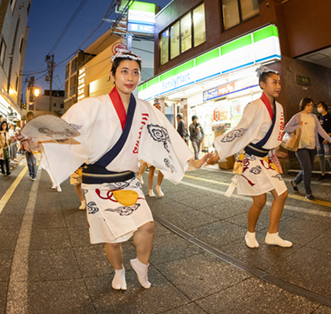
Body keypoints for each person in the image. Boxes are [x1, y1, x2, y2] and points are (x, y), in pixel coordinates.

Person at [19, 49, 210, 291]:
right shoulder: (91, 106)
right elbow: (65, 132)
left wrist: (190, 161)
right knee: (112, 238)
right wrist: (37, 141)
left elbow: (166, 137)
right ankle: (118, 271)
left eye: (135, 72)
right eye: (124, 71)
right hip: (97, 182)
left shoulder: (145, 109)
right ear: (112, 74)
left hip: (128, 181)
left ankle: (141, 265)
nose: (130, 77)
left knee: (147, 226)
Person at [208, 66, 292, 249]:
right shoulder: (253, 106)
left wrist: (276, 149)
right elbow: (241, 131)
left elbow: (274, 133)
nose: (278, 86)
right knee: (260, 200)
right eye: (273, 82)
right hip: (249, 157)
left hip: (266, 158)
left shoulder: (279, 107)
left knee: (282, 194)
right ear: (262, 84)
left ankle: (272, 234)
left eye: (279, 82)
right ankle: (250, 233)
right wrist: (218, 153)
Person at [285, 98, 331, 200]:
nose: (311, 107)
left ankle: (295, 182)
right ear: (303, 105)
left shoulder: (314, 117)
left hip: (311, 147)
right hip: (300, 147)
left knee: (307, 168)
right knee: (307, 168)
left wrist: (330, 140)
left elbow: (320, 130)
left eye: (312, 105)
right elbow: (286, 128)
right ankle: (308, 193)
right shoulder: (297, 117)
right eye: (308, 105)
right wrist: (297, 126)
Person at [137, 102, 165, 197]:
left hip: (160, 146)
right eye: (156, 107)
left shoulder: (162, 118)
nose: (157, 108)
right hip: (151, 147)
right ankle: (150, 190)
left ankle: (158, 186)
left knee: (162, 168)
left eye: (159, 107)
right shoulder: (148, 118)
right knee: (152, 169)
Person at [317, 101, 331, 181]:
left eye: (319, 106)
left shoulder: (330, 116)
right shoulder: (318, 117)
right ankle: (322, 173)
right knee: (321, 157)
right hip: (319, 140)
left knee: (329, 157)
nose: (318, 107)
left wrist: (327, 138)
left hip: (326, 140)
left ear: (324, 106)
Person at [22, 112, 37, 181]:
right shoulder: (26, 126)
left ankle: (34, 175)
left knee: (33, 162)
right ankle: (30, 174)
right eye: (29, 118)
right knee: (28, 162)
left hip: (33, 148)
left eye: (31, 118)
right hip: (27, 147)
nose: (30, 119)